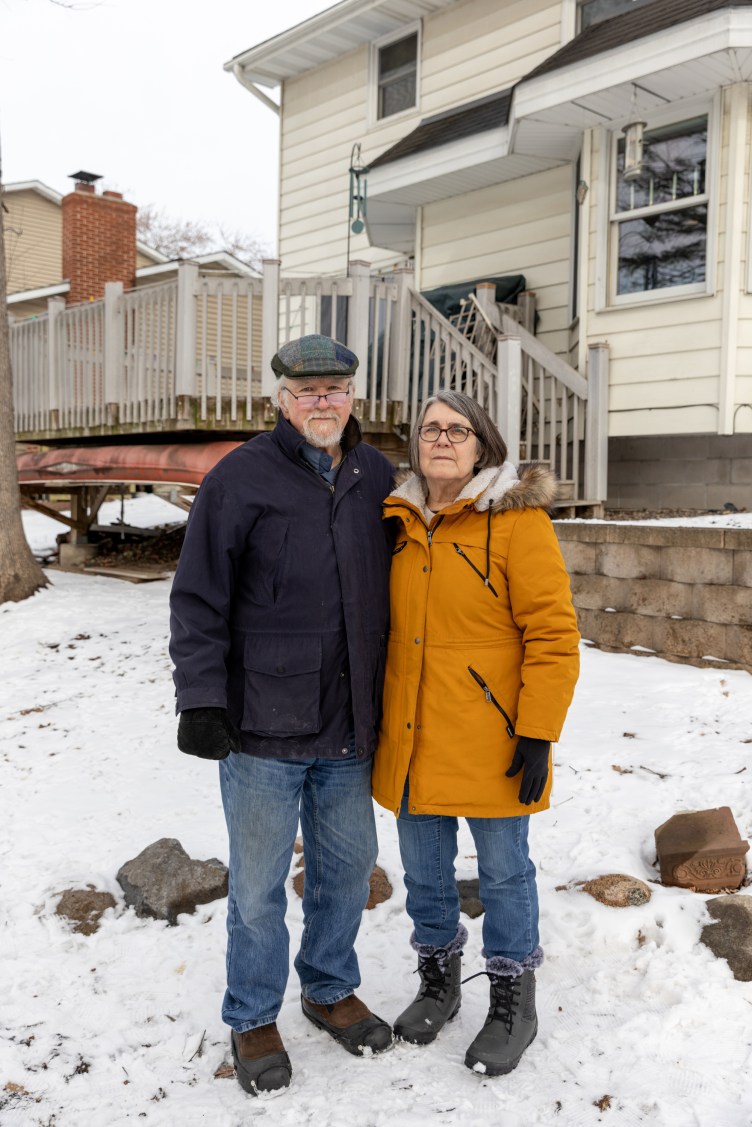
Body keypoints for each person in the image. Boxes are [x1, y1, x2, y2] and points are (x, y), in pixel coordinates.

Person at [169, 335, 395, 1098]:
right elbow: (198, 596)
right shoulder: (239, 478)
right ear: (280, 400)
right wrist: (201, 698)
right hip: (261, 726)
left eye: (335, 389)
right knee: (259, 886)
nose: (322, 402)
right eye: (307, 391)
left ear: (353, 396)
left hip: (350, 723)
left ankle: (329, 987)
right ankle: (253, 1012)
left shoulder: (377, 476)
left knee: (343, 871)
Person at [372, 389, 580, 1077]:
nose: (441, 438)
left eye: (456, 428)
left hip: (494, 736)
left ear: (482, 444)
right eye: (429, 428)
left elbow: (553, 633)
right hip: (412, 735)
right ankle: (438, 978)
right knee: (425, 876)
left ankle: (513, 996)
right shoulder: (396, 520)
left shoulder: (518, 524)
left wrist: (537, 730)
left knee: (504, 872)